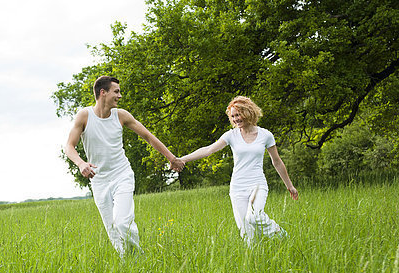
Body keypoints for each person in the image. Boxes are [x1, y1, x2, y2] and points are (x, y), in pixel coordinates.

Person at [65, 76, 184, 257]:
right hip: (99, 181)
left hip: (122, 175)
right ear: (103, 93)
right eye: (116, 91)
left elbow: (148, 136)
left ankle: (138, 259)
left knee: (122, 222)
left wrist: (171, 158)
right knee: (112, 229)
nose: (120, 96)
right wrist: (81, 163)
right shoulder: (84, 116)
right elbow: (69, 146)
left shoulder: (121, 115)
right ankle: (127, 264)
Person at [180, 96, 298, 246]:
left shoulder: (265, 135)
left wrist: (289, 185)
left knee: (254, 216)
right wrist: (183, 159)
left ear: (248, 112)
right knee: (247, 235)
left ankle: (280, 235)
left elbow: (277, 161)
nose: (235, 119)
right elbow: (208, 150)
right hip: (237, 187)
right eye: (233, 116)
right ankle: (256, 262)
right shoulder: (231, 135)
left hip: (257, 184)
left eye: (238, 114)